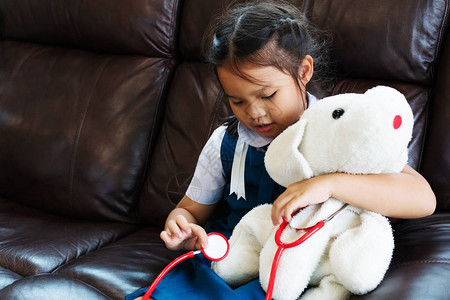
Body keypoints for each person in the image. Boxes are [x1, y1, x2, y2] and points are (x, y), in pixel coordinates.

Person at [126, 1, 436, 299]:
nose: (255, 113)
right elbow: (189, 211)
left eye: (268, 95)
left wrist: (327, 184)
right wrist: (181, 226)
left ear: (303, 72)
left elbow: (423, 198)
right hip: (233, 262)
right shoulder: (227, 142)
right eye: (237, 101)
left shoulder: (337, 130)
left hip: (300, 267)